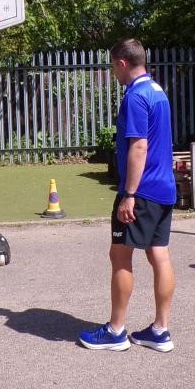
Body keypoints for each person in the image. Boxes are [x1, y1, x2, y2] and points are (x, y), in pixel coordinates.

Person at [79, 38, 178, 352]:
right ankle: (160, 330)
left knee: (120, 255)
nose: (113, 72)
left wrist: (129, 195)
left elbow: (139, 146)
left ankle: (116, 331)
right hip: (164, 187)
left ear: (122, 63)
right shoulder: (158, 91)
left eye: (113, 66)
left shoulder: (135, 96)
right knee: (158, 254)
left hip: (142, 190)